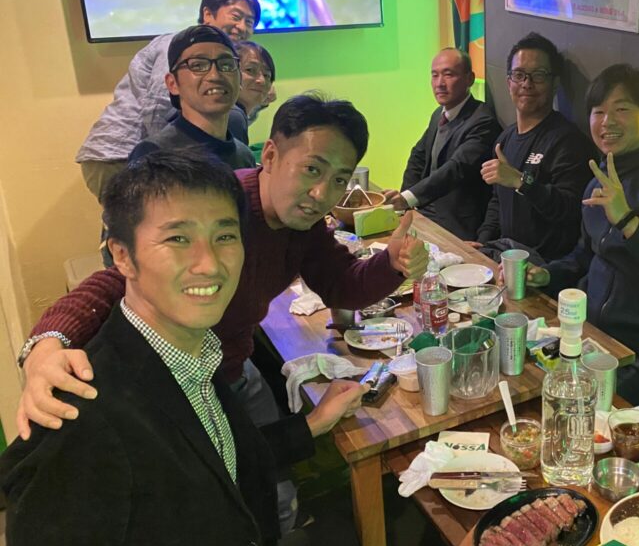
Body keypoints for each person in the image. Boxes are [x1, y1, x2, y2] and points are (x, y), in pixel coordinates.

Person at [1, 152, 366, 546]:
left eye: (224, 236)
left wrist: (314, 424)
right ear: (122, 255)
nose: (209, 264)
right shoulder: (77, 423)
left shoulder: (196, 352)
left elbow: (217, 459)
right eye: (178, 239)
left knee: (346, 539)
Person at [16, 94, 428, 442]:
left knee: (268, 481)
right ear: (271, 155)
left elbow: (341, 284)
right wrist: (47, 345)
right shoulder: (222, 206)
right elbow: (117, 280)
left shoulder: (301, 223)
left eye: (339, 179)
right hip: (171, 389)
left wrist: (392, 264)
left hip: (229, 368)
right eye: (312, 169)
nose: (322, 193)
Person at [526, 64, 639, 409]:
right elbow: (586, 255)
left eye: (622, 109)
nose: (607, 122)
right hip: (593, 339)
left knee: (569, 421)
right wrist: (547, 274)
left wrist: (628, 221)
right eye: (598, 112)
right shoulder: (599, 178)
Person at [76, 0, 260, 200]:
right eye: (236, 16)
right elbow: (157, 107)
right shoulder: (179, 46)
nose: (242, 27)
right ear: (208, 14)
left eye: (249, 22)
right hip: (119, 154)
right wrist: (161, 155)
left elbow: (218, 120)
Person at [475, 32, 596, 263]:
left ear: (555, 83)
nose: (526, 84)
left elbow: (570, 209)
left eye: (538, 75)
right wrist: (482, 241)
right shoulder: (504, 139)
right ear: (509, 82)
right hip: (505, 259)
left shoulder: (568, 141)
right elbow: (497, 202)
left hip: (545, 268)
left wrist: (522, 182)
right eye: (519, 75)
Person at [382, 48, 501, 240]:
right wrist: (404, 202)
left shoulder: (483, 121)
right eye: (434, 75)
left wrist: (409, 198)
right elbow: (418, 157)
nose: (439, 83)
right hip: (425, 210)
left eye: (448, 74)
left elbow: (456, 168)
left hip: (455, 223)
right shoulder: (439, 114)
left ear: (469, 79)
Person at [129, 25, 255, 170]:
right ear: (172, 83)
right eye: (198, 65)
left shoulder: (244, 156)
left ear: (240, 80)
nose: (215, 75)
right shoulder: (154, 154)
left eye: (226, 65)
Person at [230, 40, 278, 145]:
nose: (261, 80)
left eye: (267, 75)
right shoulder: (233, 116)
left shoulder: (238, 115)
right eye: (250, 70)